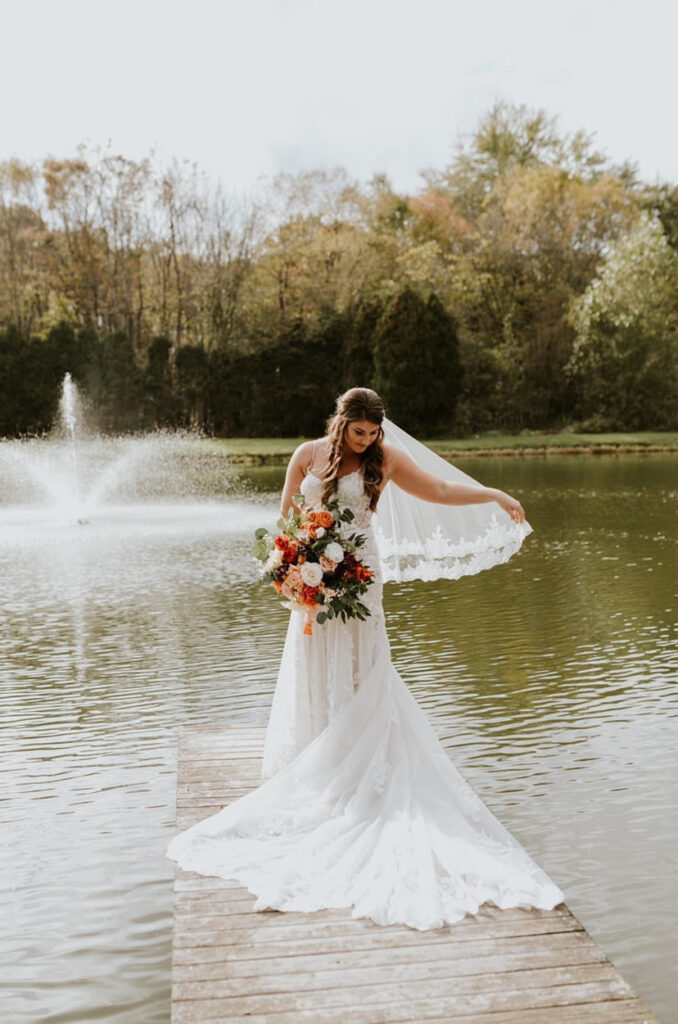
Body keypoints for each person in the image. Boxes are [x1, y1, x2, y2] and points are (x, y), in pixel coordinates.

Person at [166, 387, 565, 930]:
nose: (368, 440)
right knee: (314, 665)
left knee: (361, 667)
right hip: (313, 584)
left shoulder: (385, 460)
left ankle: (361, 762)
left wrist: (492, 493)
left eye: (374, 433)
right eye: (359, 432)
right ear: (341, 423)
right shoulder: (306, 455)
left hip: (360, 579)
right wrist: (289, 565)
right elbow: (285, 521)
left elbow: (441, 490)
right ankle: (323, 760)